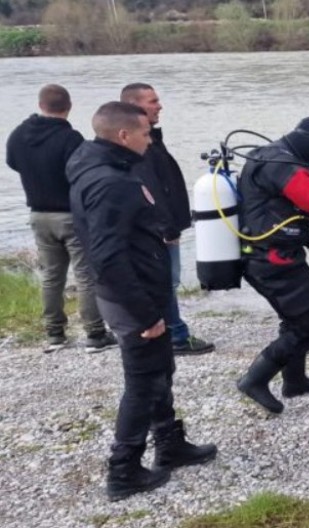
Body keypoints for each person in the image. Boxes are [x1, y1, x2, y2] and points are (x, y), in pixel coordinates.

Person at [67, 101, 217, 501]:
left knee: (159, 371)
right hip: (130, 298)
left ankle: (169, 443)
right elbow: (108, 255)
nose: (150, 141)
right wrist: (146, 313)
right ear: (123, 135)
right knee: (143, 381)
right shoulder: (111, 183)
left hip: (135, 291)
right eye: (145, 134)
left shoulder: (92, 161)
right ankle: (124, 470)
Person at [236, 116, 309, 414]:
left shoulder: (275, 155)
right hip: (272, 261)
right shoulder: (282, 164)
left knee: (295, 318)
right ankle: (255, 379)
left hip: (269, 255)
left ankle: (295, 380)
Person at [5, 84, 117, 354]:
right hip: (70, 214)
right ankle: (95, 333)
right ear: (69, 106)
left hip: (38, 214)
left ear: (40, 104)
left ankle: (55, 333)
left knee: (51, 276)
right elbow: (83, 172)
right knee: (86, 275)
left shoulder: (18, 135)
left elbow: (12, 163)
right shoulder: (71, 139)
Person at [120, 83, 214, 355]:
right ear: (135, 106)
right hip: (159, 229)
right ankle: (174, 334)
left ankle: (166, 330)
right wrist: (166, 227)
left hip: (161, 226)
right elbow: (149, 189)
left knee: (164, 281)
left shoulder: (150, 140)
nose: (159, 105)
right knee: (166, 281)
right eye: (153, 101)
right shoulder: (140, 146)